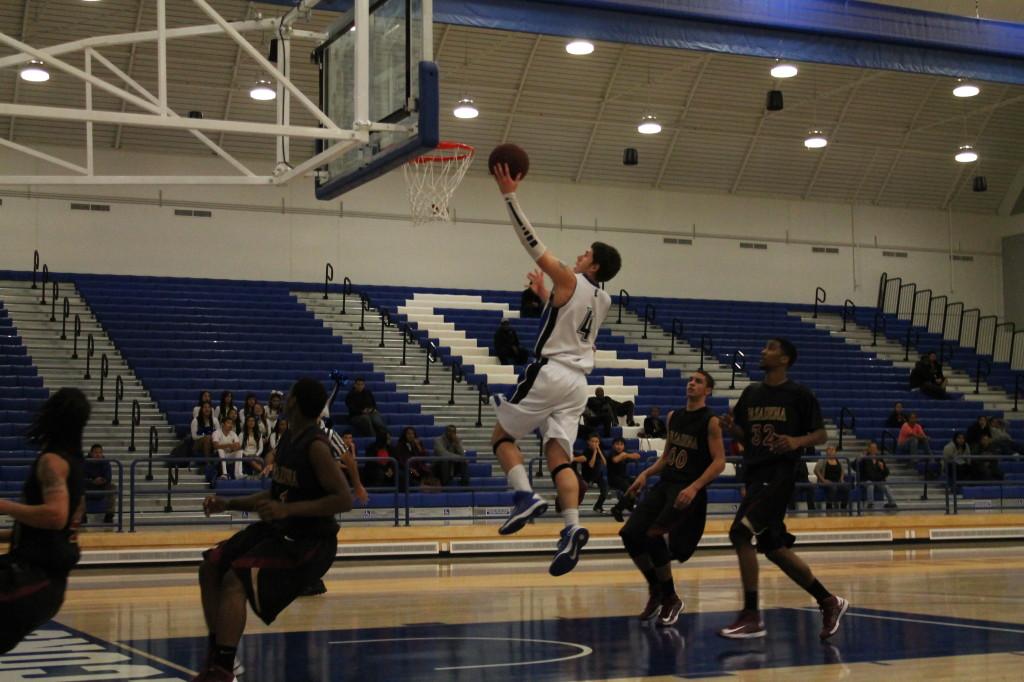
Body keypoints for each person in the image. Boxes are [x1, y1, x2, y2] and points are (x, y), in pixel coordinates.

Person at [488, 160, 622, 576]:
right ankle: (571, 528)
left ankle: (524, 497)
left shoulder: (571, 277)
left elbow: (532, 242)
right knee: (558, 457)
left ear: (594, 265)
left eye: (586, 253)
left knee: (501, 437)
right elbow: (568, 317)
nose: (580, 254)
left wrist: (509, 194)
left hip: (551, 373)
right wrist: (546, 294)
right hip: (579, 385)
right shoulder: (603, 300)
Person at [195, 378, 352, 682]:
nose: (285, 396)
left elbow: (343, 499)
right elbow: (272, 496)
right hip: (282, 529)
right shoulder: (289, 439)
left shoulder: (316, 446)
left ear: (293, 403)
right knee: (210, 567)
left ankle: (223, 671)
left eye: (289, 394)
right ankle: (218, 658)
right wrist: (227, 502)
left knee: (234, 580)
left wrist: (288, 509)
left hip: (310, 542)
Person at [718, 338, 847, 641]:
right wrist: (731, 428)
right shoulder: (751, 393)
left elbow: (820, 434)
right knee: (774, 549)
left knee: (739, 533)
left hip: (780, 474)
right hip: (755, 473)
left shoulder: (799, 394)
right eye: (763, 347)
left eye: (771, 348)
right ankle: (829, 600)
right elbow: (746, 436)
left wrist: (795, 441)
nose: (763, 350)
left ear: (785, 359)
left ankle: (751, 615)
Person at [619, 370, 725, 627]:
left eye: (698, 381)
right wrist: (645, 473)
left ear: (707, 391)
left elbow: (720, 462)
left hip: (687, 489)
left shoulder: (711, 421)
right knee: (630, 533)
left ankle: (671, 598)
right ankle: (658, 590)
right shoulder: (673, 417)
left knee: (654, 535)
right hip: (666, 484)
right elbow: (667, 457)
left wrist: (695, 487)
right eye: (690, 379)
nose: (692, 383)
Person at [0, 387, 90, 654]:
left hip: (35, 577)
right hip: (43, 580)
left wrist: (3, 505)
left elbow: (55, 516)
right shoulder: (74, 463)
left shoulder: (52, 461)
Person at [606, 437, 642, 522]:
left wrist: (634, 456)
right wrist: (628, 455)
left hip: (623, 477)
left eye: (621, 444)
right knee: (629, 490)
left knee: (638, 482)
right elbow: (616, 460)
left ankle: (630, 504)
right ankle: (617, 509)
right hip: (613, 479)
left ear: (624, 446)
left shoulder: (625, 453)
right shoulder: (611, 454)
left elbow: (637, 456)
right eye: (617, 444)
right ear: (613, 445)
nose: (619, 446)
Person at [345, 377, 389, 445]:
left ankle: (386, 437)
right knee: (366, 419)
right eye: (358, 384)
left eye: (362, 384)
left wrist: (372, 409)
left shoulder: (368, 393)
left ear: (364, 385)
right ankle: (374, 439)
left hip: (370, 412)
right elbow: (351, 409)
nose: (360, 386)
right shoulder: (350, 395)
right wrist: (362, 411)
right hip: (356, 416)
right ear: (355, 385)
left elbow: (374, 404)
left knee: (377, 420)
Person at [575, 435, 609, 514]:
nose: (594, 443)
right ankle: (574, 506)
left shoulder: (601, 451)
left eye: (596, 441)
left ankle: (598, 506)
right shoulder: (586, 451)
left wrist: (599, 451)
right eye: (593, 441)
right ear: (588, 442)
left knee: (605, 490)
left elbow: (605, 463)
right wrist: (595, 452)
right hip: (587, 476)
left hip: (597, 476)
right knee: (598, 465)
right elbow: (591, 465)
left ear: (599, 443)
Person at [392, 427, 435, 491]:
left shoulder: (418, 444)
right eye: (408, 434)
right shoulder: (400, 446)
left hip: (419, 468)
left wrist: (418, 446)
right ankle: (421, 487)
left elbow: (425, 457)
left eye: (412, 434)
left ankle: (429, 488)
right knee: (405, 475)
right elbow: (400, 461)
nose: (411, 436)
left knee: (429, 472)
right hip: (408, 469)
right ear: (405, 435)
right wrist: (410, 469)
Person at [859, 442, 897, 509]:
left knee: (885, 486)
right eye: (872, 448)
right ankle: (870, 504)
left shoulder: (879, 459)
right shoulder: (864, 458)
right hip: (866, 480)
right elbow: (855, 467)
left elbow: (887, 473)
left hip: (878, 480)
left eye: (875, 448)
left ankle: (892, 503)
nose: (874, 450)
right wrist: (859, 459)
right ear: (868, 449)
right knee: (870, 485)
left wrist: (882, 468)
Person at [84, 443, 116, 523]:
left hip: (101, 486)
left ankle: (109, 515)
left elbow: (108, 477)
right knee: (78, 487)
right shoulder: (84, 462)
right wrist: (92, 481)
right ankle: (82, 515)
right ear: (91, 453)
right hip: (88, 487)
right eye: (96, 452)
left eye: (100, 452)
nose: (98, 455)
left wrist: (102, 480)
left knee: (112, 487)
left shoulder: (105, 462)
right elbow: (81, 477)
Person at [813, 446, 848, 514]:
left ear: (835, 452)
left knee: (846, 487)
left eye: (833, 449)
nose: (831, 451)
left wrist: (841, 479)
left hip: (837, 481)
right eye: (829, 449)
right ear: (826, 452)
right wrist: (823, 480)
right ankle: (829, 505)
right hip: (826, 481)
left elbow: (842, 471)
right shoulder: (822, 460)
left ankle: (843, 507)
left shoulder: (839, 461)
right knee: (833, 487)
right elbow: (816, 471)